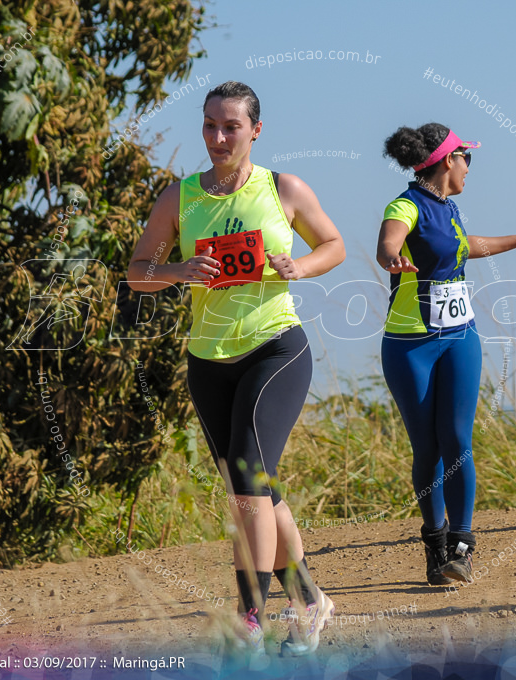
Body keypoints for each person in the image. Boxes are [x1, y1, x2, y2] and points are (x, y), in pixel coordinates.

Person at [127, 81, 345, 660]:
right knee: (252, 492)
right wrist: (178, 271)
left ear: (255, 130)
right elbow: (137, 273)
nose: (218, 138)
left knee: (249, 480)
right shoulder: (181, 197)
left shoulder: (283, 189)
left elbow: (335, 245)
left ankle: (251, 617)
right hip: (208, 360)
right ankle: (310, 601)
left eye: (231, 127)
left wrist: (297, 266)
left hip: (276, 348)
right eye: (209, 126)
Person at [377, 123, 516, 585]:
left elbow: (465, 246)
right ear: (448, 161)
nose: (469, 168)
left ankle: (462, 547)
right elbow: (389, 241)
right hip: (410, 345)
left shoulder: (450, 208)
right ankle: (434, 543)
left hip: (460, 337)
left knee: (457, 438)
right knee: (427, 448)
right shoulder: (405, 205)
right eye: (467, 159)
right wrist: (391, 256)